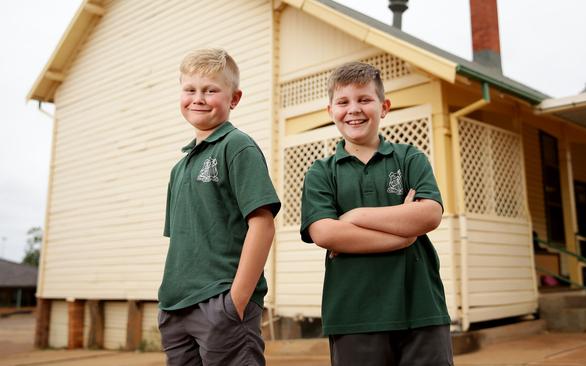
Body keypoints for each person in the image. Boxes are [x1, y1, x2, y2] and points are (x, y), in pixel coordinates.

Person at [300, 62, 453, 366]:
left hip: (420, 309)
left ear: (384, 107)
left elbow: (429, 215)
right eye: (343, 102)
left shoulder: (410, 158)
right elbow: (326, 233)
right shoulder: (321, 172)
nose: (353, 109)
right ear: (331, 110)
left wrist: (354, 216)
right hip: (353, 315)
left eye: (364, 100)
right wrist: (402, 235)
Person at [158, 48, 280, 366]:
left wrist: (235, 302)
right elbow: (183, 241)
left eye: (211, 90)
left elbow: (263, 224)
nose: (198, 98)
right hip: (176, 308)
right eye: (190, 90)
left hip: (221, 303)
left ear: (234, 98)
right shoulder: (179, 168)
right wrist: (167, 304)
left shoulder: (237, 147)